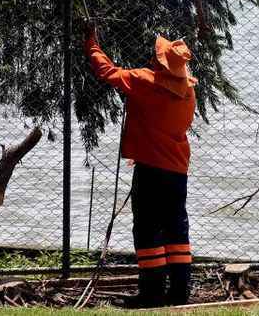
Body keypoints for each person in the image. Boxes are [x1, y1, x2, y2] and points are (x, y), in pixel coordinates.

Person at [84, 22, 197, 308]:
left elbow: (107, 71)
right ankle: (179, 292)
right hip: (177, 170)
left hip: (150, 169)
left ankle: (151, 293)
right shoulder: (188, 91)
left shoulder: (145, 81)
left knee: (147, 229)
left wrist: (92, 43)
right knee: (176, 228)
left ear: (159, 63)